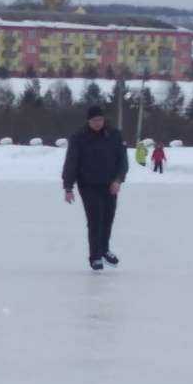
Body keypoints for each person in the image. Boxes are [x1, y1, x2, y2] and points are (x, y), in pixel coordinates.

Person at [61, 105, 128, 271]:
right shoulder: (78, 137)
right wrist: (68, 187)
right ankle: (95, 256)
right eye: (94, 120)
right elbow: (71, 163)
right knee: (95, 219)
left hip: (110, 184)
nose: (98, 123)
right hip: (88, 185)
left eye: (100, 120)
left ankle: (104, 250)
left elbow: (123, 162)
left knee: (108, 219)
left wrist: (118, 180)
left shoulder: (114, 135)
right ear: (88, 121)